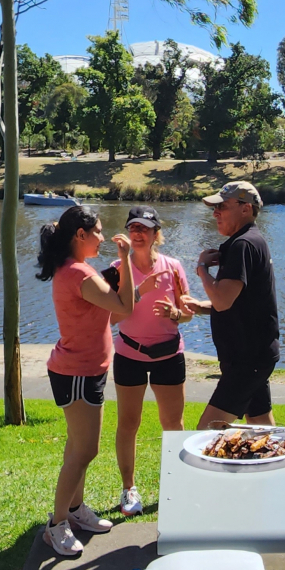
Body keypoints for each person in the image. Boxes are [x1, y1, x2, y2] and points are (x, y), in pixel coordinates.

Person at [36, 206, 134, 558]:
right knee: (85, 451)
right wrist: (127, 262)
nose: (103, 238)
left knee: (76, 446)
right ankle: (57, 524)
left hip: (84, 370)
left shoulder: (77, 270)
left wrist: (120, 271)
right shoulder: (78, 273)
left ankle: (75, 511)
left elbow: (106, 303)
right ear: (80, 234)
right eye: (98, 231)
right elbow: (126, 307)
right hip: (77, 372)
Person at [106, 206, 193, 517]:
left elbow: (187, 311)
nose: (138, 234)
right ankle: (129, 488)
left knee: (173, 424)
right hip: (129, 354)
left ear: (157, 234)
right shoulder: (118, 268)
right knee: (129, 424)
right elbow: (112, 317)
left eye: (145, 228)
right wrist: (140, 292)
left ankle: (177, 482)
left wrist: (176, 314)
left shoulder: (173, 267)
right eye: (133, 228)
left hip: (169, 356)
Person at [184, 182, 281, 429]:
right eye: (215, 207)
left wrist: (202, 269)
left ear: (245, 209)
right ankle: (277, 465)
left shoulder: (243, 245)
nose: (215, 213)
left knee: (206, 431)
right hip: (253, 356)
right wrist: (200, 306)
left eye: (222, 207)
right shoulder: (250, 241)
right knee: (260, 426)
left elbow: (223, 300)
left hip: (247, 360)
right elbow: (240, 303)